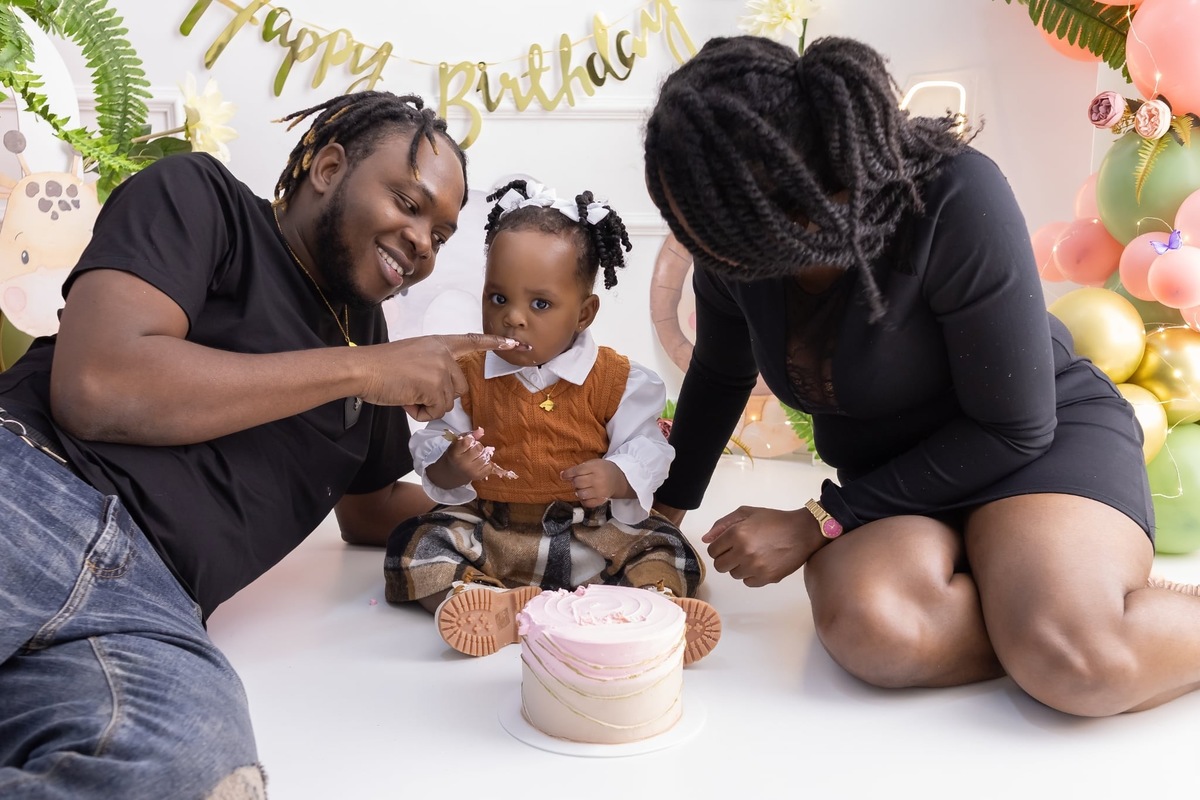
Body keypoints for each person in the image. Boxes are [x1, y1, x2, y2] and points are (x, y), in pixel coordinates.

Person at [643, 34, 1200, 717]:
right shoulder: (739, 251)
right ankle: (1036, 617)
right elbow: (721, 370)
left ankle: (1067, 627)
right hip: (897, 483)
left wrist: (820, 520)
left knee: (1080, 663)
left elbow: (1016, 427)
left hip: (1036, 446)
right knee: (876, 632)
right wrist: (658, 522)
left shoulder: (952, 193)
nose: (693, 239)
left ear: (788, 196)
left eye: (706, 218)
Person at [0, 91, 527, 799]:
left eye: (441, 232)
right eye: (408, 202)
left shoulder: (364, 340)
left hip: (153, 608)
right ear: (329, 166)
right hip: (34, 491)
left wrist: (520, 515)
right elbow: (96, 386)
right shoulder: (204, 199)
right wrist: (366, 370)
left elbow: (368, 511)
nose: (423, 242)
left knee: (195, 772)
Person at [383, 180, 721, 665]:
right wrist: (452, 465)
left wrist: (616, 474)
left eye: (540, 304)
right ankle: (482, 603)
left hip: (589, 535)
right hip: (495, 533)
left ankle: (656, 610)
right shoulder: (466, 374)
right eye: (497, 298)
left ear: (584, 313)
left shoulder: (617, 380)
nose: (512, 319)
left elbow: (648, 447)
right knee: (418, 542)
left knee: (664, 544)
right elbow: (434, 444)